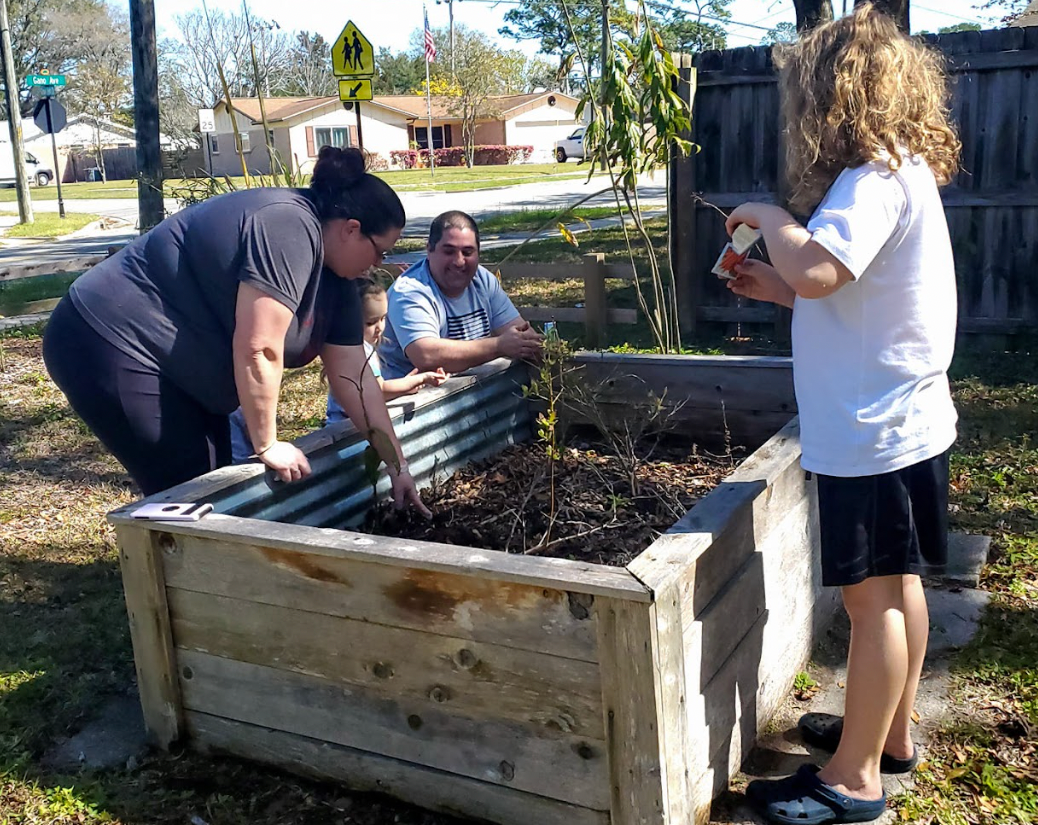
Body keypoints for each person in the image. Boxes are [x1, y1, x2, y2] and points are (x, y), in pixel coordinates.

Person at [723, 6, 960, 824]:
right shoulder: (904, 169)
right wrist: (775, 284)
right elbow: (848, 291)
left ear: (828, 97)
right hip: (906, 420)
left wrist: (769, 216)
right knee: (901, 586)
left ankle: (854, 781)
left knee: (872, 603)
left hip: (872, 433)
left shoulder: (869, 180)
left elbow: (824, 269)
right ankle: (888, 735)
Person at [43, 146, 427, 514]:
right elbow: (260, 347)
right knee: (190, 493)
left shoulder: (340, 281)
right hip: (110, 339)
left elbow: (354, 379)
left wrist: (399, 467)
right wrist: (267, 443)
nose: (380, 263)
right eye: (381, 251)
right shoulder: (288, 225)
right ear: (351, 229)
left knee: (214, 488)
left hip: (184, 371)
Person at [230, 280, 449, 462]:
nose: (380, 327)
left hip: (357, 426)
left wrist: (406, 385)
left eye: (383, 319)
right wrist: (421, 378)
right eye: (371, 322)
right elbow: (379, 390)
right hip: (347, 429)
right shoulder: (358, 353)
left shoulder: (367, 347)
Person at [377, 210, 543, 381]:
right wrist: (499, 346)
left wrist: (533, 346)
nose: (459, 262)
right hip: (412, 403)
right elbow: (425, 356)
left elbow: (522, 334)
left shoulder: (482, 279)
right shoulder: (410, 292)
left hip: (470, 394)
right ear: (429, 250)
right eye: (449, 252)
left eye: (468, 252)